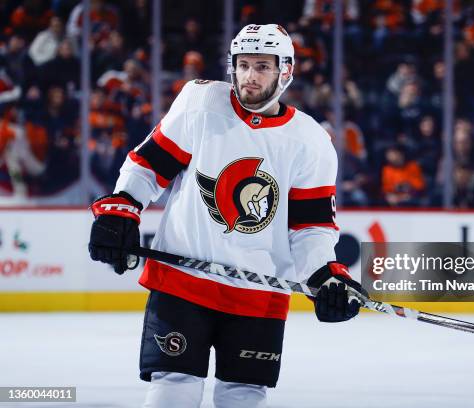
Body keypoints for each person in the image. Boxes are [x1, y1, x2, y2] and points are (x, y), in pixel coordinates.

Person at [87, 24, 367, 408]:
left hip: (259, 295)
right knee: (173, 390)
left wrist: (325, 276)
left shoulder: (311, 142)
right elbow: (149, 165)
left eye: (262, 67)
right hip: (182, 283)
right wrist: (123, 209)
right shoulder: (201, 103)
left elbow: (311, 227)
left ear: (286, 71)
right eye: (243, 65)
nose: (250, 77)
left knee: (243, 397)